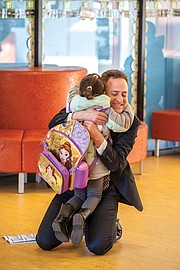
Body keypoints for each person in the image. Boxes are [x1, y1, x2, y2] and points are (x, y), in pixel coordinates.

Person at [36, 69, 143, 255]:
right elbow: (54, 122)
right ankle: (77, 219)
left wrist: (96, 134)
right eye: (114, 94)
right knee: (44, 240)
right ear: (101, 94)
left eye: (124, 94)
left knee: (97, 246)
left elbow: (116, 163)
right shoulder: (82, 105)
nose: (120, 99)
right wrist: (82, 115)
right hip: (75, 182)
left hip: (106, 184)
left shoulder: (129, 121)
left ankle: (105, 223)